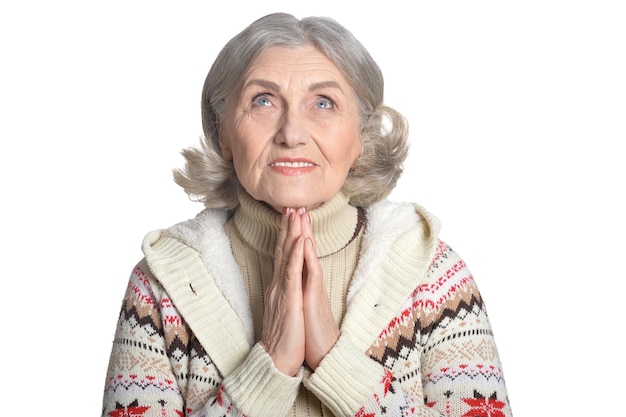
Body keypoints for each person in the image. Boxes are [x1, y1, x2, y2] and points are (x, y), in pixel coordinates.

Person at [101, 12, 512, 417]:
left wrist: (338, 364)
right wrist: (270, 370)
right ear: (223, 131)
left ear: (361, 137)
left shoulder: (434, 276)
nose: (291, 133)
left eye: (323, 103)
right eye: (263, 101)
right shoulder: (162, 284)